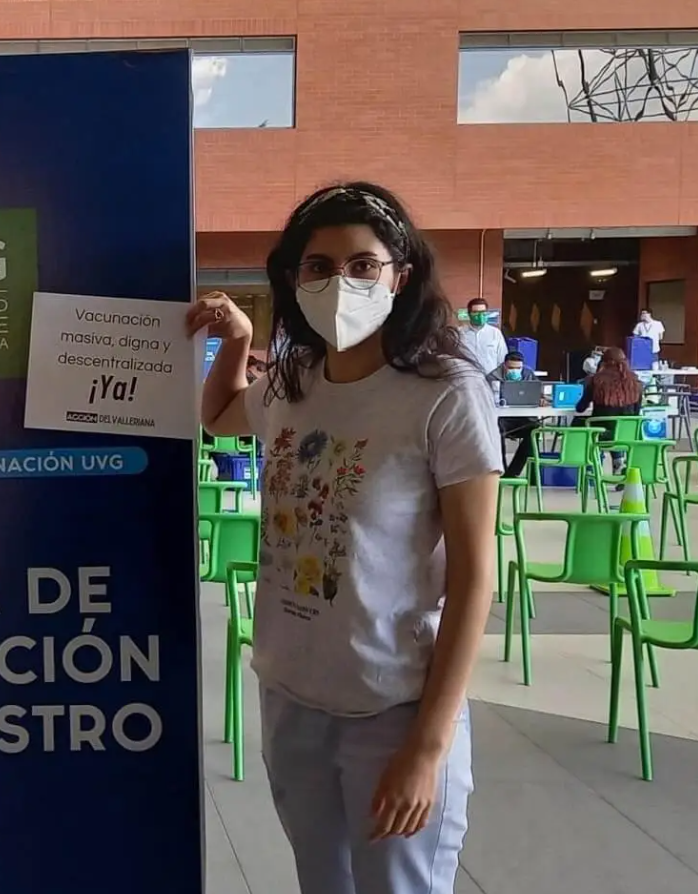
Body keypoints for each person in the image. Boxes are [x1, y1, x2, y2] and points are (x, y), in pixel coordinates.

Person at [188, 182, 499, 894]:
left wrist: (428, 746)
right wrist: (238, 341)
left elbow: (474, 577)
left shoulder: (445, 392)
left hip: (392, 707)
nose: (340, 283)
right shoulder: (292, 381)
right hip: (293, 695)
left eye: (363, 265)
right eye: (319, 266)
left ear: (401, 276)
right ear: (294, 278)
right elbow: (219, 416)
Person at [578, 346, 645, 477]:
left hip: (600, 433)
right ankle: (618, 461)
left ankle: (590, 466)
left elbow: (580, 408)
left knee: (580, 423)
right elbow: (636, 413)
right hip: (627, 435)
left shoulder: (596, 381)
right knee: (616, 427)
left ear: (603, 362)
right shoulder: (636, 383)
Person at [457, 296, 506, 375]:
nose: (480, 315)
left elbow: (502, 359)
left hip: (490, 379)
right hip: (467, 378)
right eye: (475, 312)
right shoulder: (459, 333)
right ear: (469, 314)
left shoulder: (495, 333)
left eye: (483, 312)